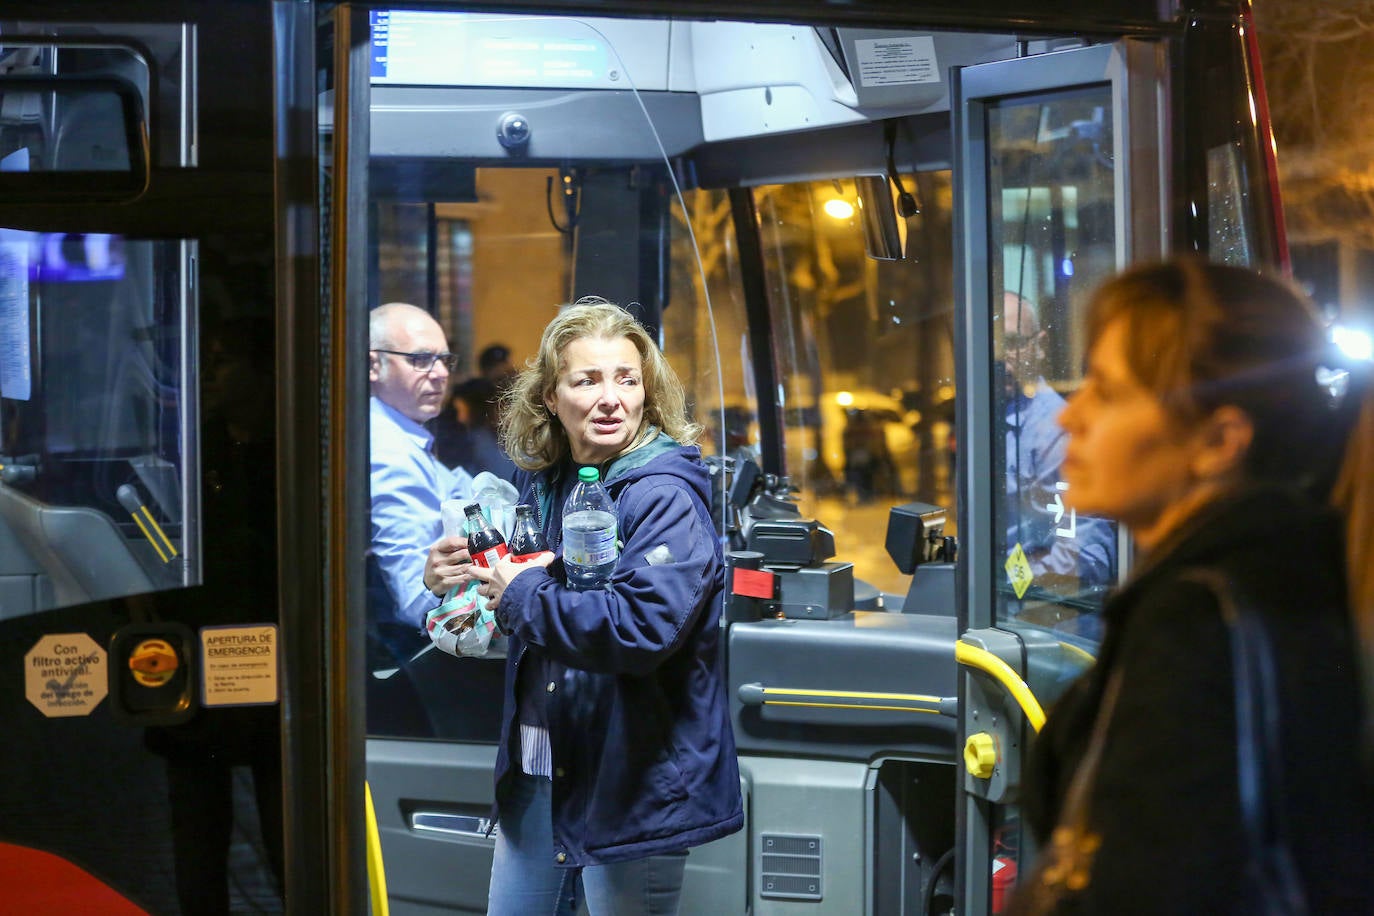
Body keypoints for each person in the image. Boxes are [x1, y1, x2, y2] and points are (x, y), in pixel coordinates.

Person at [1013, 259, 1374, 913]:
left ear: (1217, 441)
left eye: (1108, 390)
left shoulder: (1194, 622)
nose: (1073, 418)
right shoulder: (1289, 576)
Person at [423, 298, 743, 915]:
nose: (611, 398)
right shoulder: (543, 483)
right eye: (587, 379)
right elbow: (524, 617)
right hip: (541, 769)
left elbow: (638, 630)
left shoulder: (662, 497)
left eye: (627, 379)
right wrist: (455, 588)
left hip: (631, 785)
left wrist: (517, 590)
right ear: (549, 396)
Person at [368, 302, 474, 637]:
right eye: (421, 359)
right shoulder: (389, 451)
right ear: (374, 364)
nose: (441, 373)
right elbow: (414, 599)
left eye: (444, 360)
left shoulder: (397, 436)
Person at [1001, 291, 1115, 591]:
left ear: (1039, 345)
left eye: (1013, 343)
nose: (1002, 358)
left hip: (1053, 622)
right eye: (995, 348)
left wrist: (1007, 586)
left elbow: (1085, 556)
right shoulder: (990, 421)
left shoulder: (1055, 430)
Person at [430, 376, 517, 482]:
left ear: (476, 408)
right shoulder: (469, 439)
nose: (460, 418)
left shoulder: (482, 440)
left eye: (461, 411)